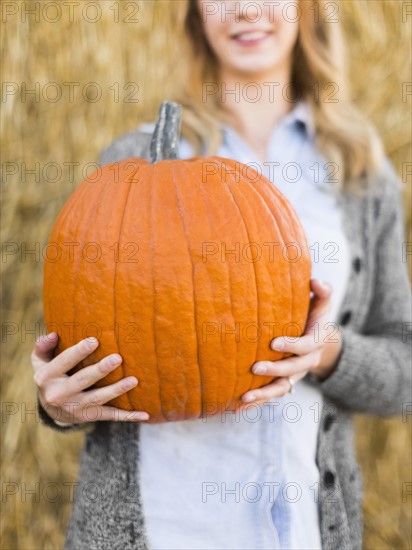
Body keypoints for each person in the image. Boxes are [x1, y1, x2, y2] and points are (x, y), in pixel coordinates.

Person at [32, 1, 411, 549]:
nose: (245, 10)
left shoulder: (360, 173)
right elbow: (89, 336)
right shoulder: (131, 161)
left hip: (301, 528)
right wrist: (57, 404)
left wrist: (326, 352)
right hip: (159, 525)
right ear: (194, 16)